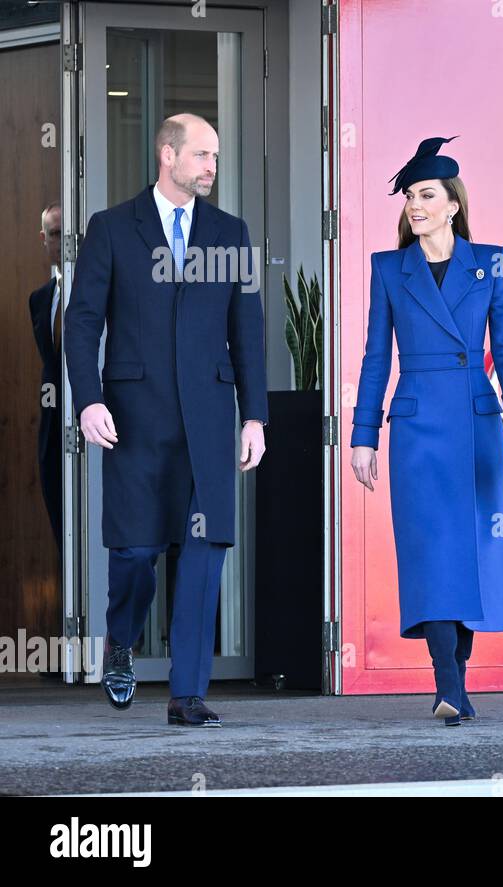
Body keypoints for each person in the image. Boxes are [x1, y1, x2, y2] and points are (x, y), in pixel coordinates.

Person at [64, 113, 268, 727]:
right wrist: (88, 398)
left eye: (216, 156)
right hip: (132, 417)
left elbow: (248, 332)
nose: (211, 166)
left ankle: (188, 694)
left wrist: (254, 416)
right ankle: (121, 639)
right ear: (167, 155)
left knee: (203, 551)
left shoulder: (233, 235)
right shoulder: (110, 229)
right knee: (134, 550)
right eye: (202, 155)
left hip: (208, 421)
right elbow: (81, 322)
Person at [349, 135, 503, 726]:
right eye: (410, 194)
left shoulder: (490, 263)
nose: (415, 204)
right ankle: (449, 684)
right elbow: (375, 358)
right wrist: (364, 435)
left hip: (477, 425)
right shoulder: (390, 269)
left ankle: (454, 681)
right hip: (416, 432)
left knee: (472, 555)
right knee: (431, 552)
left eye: (426, 194)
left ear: (453, 203)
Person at [28, 202, 63, 546]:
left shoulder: (99, 292)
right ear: (44, 238)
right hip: (53, 430)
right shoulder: (39, 300)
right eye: (55, 234)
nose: (63, 242)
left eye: (68, 234)